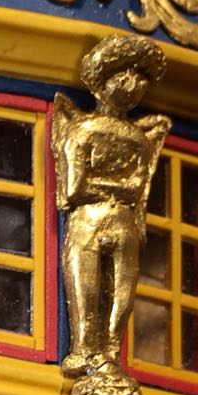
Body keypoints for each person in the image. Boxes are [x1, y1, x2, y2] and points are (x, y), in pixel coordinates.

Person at [51, 34, 169, 374]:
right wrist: (116, 188)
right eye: (122, 76)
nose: (131, 85)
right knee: (85, 281)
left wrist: (109, 187)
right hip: (89, 216)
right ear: (101, 83)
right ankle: (84, 346)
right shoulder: (84, 130)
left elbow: (138, 187)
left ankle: (111, 349)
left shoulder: (139, 139)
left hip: (122, 220)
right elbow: (75, 186)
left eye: (139, 78)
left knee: (123, 287)